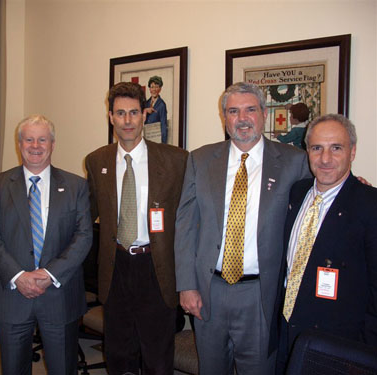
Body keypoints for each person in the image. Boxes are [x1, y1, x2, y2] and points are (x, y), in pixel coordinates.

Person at [175, 82, 312, 375]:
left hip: (260, 294)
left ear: (263, 113)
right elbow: (185, 224)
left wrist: (353, 183)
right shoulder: (200, 159)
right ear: (225, 118)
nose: (242, 118)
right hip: (209, 289)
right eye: (233, 111)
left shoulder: (294, 161)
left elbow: (321, 195)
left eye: (250, 109)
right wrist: (186, 285)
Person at [85, 82, 188, 374]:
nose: (127, 121)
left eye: (133, 113)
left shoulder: (176, 160)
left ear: (144, 115)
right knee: (118, 353)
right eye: (120, 113)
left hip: (156, 267)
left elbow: (188, 221)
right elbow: (85, 215)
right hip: (116, 266)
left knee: (157, 356)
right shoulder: (97, 161)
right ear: (110, 117)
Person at [0, 114, 92, 375]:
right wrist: (18, 276)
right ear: (19, 144)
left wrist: (49, 274)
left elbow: (84, 235)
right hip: (12, 293)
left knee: (63, 368)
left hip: (59, 294)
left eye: (42, 139)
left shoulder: (76, 186)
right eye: (28, 139)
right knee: (14, 369)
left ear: (53, 144)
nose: (35, 146)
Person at [272, 114, 377, 373]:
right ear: (307, 151)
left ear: (352, 152)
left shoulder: (370, 205)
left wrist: (365, 353)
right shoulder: (297, 192)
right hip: (286, 331)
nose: (325, 159)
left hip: (337, 344)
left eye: (336, 148)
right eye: (317, 148)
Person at [144, 75, 168, 143]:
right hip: (146, 139)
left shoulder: (162, 105)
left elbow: (164, 125)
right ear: (149, 89)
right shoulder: (146, 103)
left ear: (160, 89)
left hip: (156, 140)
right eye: (152, 87)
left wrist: (163, 144)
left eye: (156, 87)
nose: (154, 90)